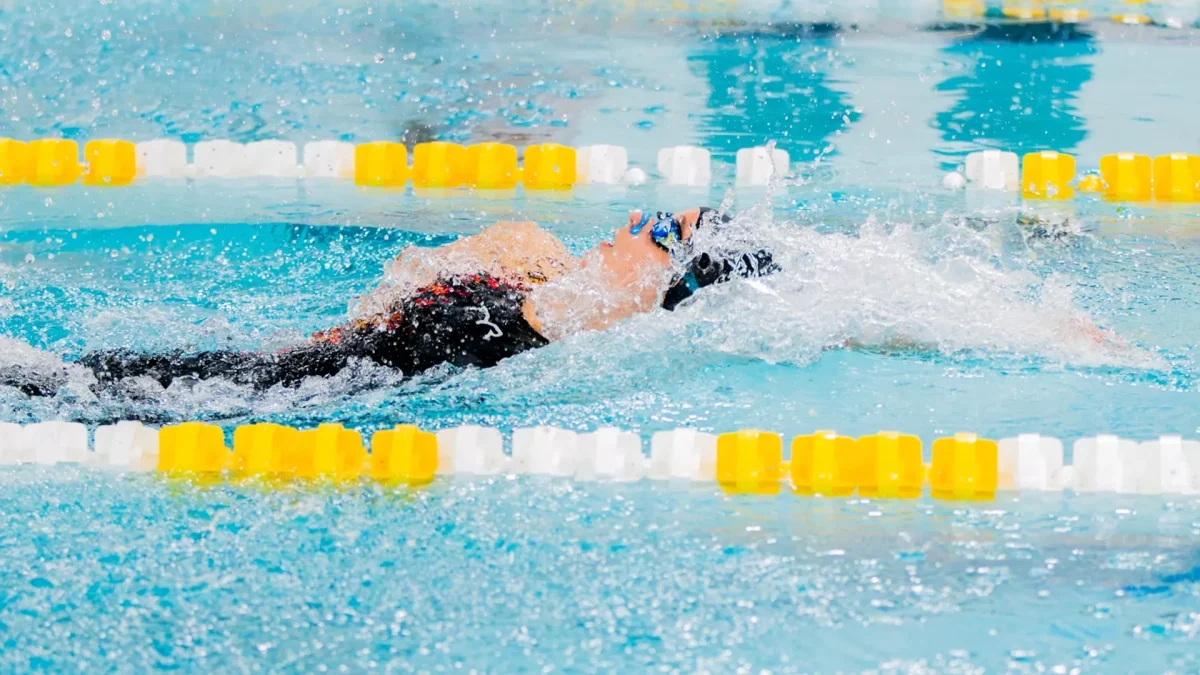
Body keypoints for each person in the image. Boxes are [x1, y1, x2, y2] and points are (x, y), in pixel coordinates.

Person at [3, 207, 778, 397]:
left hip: (240, 399)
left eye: (659, 232)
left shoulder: (582, 332)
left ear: (671, 283)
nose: (631, 222)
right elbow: (411, 267)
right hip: (270, 367)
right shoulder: (542, 265)